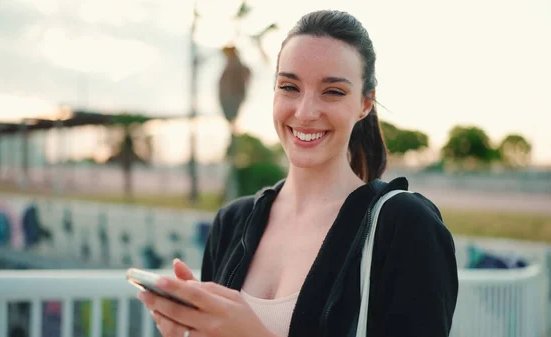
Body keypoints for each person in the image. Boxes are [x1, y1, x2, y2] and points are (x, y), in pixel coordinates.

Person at [137, 9, 459, 337]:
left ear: (365, 103)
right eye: (289, 87)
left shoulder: (406, 226)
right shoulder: (232, 222)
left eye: (333, 91)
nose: (305, 112)